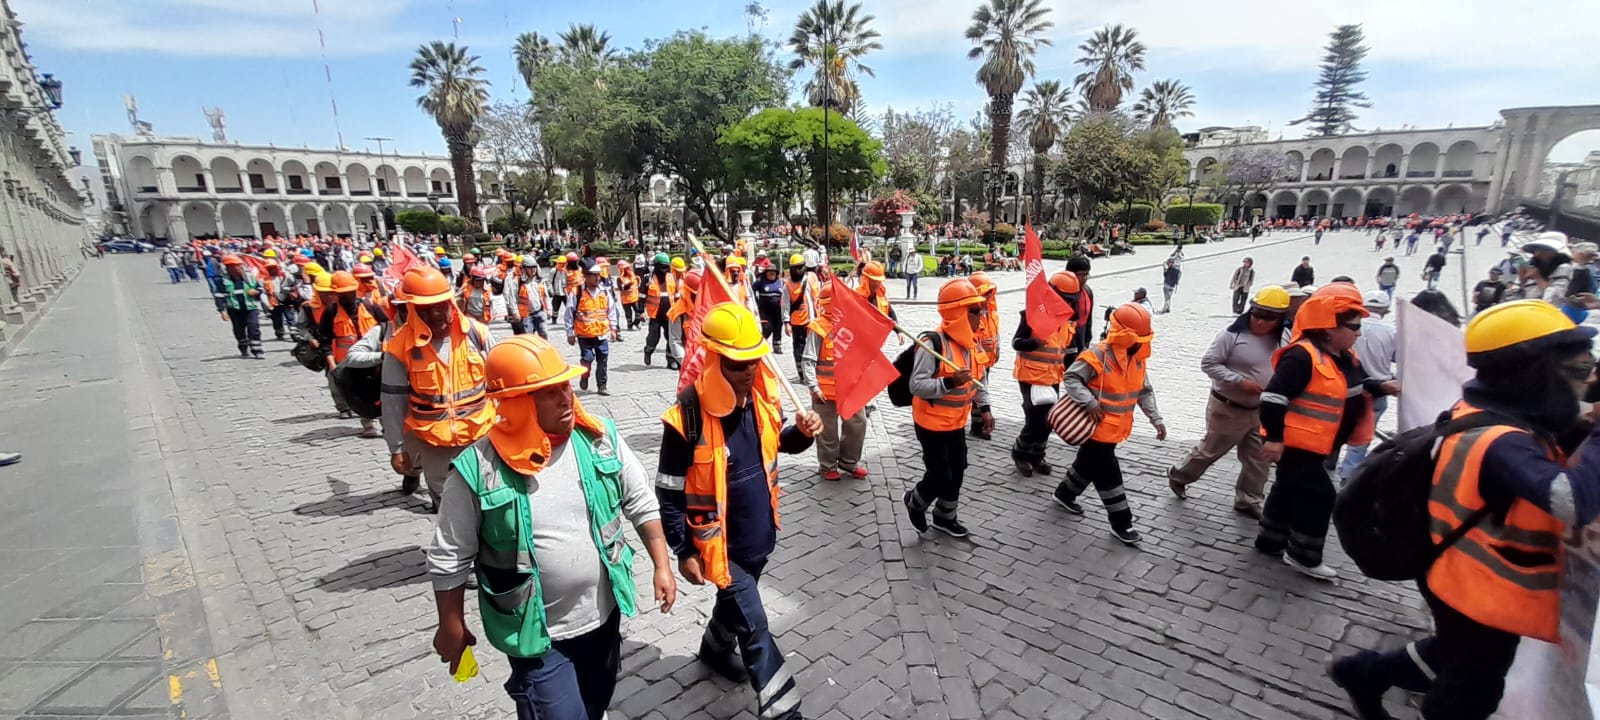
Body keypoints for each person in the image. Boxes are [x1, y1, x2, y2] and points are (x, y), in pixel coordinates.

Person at [1328, 300, 1600, 720]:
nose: (1588, 382)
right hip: (1476, 586)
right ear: (1534, 377)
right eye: (1580, 372)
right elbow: (1568, 500)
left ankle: (1364, 672)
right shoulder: (1499, 440)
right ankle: (1373, 677)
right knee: (1471, 690)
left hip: (1462, 575)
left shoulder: (1495, 419)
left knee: (1454, 654)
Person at [427, 335, 676, 720]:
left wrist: (661, 564)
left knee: (595, 703)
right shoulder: (477, 470)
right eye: (548, 391)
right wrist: (451, 624)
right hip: (535, 637)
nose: (566, 397)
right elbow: (449, 557)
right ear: (513, 402)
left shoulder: (599, 439)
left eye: (565, 384)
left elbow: (640, 502)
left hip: (603, 618)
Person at [655, 302, 821, 720]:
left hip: (760, 536)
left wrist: (802, 434)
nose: (747, 370)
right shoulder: (686, 417)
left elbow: (778, 445)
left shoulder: (763, 397)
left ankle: (712, 649)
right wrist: (683, 550)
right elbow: (669, 490)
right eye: (736, 363)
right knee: (757, 628)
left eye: (752, 360)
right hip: (720, 549)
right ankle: (785, 711)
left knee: (737, 611)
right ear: (714, 358)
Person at [1256, 284, 1392, 580]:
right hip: (1297, 443)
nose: (1359, 332)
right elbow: (1272, 398)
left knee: (1287, 488)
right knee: (1320, 496)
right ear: (1329, 328)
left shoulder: (1345, 356)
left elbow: (1355, 385)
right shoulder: (1302, 357)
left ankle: (1271, 539)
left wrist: (1382, 386)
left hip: (1320, 442)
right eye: (1353, 326)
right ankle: (1303, 554)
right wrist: (1275, 439)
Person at [1167, 286, 1289, 518]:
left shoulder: (1283, 338)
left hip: (1260, 408)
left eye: (1268, 317)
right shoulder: (1231, 336)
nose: (1261, 322)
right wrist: (1238, 381)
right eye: (1257, 314)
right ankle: (1179, 475)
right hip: (1228, 406)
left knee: (1258, 458)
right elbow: (1209, 363)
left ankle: (1249, 499)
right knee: (1210, 451)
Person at [382, 267, 496, 511]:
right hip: (434, 443)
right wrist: (397, 449)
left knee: (489, 498)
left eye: (441, 305)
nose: (436, 313)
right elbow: (393, 403)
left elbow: (502, 383)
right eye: (426, 309)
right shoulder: (400, 347)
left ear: (451, 301)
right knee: (448, 506)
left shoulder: (476, 334)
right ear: (411, 308)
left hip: (481, 436)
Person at [1051, 303, 1165, 546]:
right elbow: (1071, 378)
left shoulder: (1137, 358)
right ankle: (1122, 522)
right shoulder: (1097, 355)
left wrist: (1156, 419)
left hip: (1115, 430)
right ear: (1122, 335)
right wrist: (1090, 403)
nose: (1140, 343)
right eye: (1136, 338)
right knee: (1108, 474)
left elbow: (1144, 391)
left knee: (1088, 464)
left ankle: (1064, 494)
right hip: (1095, 428)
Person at [905, 279, 993, 538]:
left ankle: (945, 517)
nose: (982, 315)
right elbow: (916, 385)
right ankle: (915, 502)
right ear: (958, 313)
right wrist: (948, 382)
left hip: (957, 422)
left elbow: (981, 378)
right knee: (940, 474)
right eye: (976, 311)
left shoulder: (973, 342)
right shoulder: (932, 344)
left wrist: (985, 407)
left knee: (958, 469)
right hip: (930, 423)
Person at [1011, 272, 1080, 477]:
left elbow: (1069, 351)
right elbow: (1017, 343)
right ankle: (1020, 453)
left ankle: (1037, 454)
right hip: (1031, 376)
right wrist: (1034, 342)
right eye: (1065, 299)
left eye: (1071, 300)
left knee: (1050, 421)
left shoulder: (1068, 320)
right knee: (1036, 421)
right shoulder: (1032, 314)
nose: (1068, 304)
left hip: (1053, 377)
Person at [801, 282, 868, 480]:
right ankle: (828, 465)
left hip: (850, 389)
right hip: (825, 391)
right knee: (827, 430)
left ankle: (849, 462)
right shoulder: (818, 328)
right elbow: (808, 359)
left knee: (858, 423)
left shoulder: (852, 324)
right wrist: (813, 386)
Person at [318, 270, 390, 437]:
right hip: (348, 363)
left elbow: (387, 327)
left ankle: (387, 424)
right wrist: (332, 365)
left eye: (350, 292)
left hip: (373, 359)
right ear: (335, 294)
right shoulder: (330, 312)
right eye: (343, 293)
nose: (348, 296)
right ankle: (367, 424)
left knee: (380, 390)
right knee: (361, 393)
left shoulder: (369, 306)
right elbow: (325, 340)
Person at [1336, 291, 1398, 480]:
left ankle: (1329, 458)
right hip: (1378, 388)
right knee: (1363, 433)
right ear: (1385, 310)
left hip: (1346, 384)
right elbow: (1398, 357)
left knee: (1336, 424)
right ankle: (1349, 473)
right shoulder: (1391, 331)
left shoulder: (1349, 326)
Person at [565, 262, 622, 396]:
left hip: (601, 334)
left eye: (598, 275)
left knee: (603, 359)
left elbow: (611, 310)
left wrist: (614, 329)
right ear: (585, 276)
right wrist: (569, 332)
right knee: (587, 358)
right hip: (584, 334)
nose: (597, 278)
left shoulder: (604, 291)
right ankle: (584, 376)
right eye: (594, 276)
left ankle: (602, 385)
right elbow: (569, 312)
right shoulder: (577, 292)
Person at [214, 254, 266, 359]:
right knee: (239, 330)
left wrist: (256, 291)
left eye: (240, 265)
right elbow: (219, 296)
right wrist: (222, 311)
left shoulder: (250, 277)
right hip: (234, 310)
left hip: (251, 308)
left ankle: (257, 350)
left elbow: (260, 288)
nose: (239, 268)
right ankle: (243, 347)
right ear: (228, 267)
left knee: (254, 327)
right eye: (235, 266)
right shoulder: (222, 280)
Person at [968, 272, 1000, 439]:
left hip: (987, 359)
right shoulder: (971, 313)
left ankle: (979, 423)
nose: (988, 298)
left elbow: (995, 332)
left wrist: (997, 350)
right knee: (976, 390)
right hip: (976, 358)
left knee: (980, 390)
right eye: (985, 294)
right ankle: (977, 425)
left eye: (989, 294)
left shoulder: (990, 309)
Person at [642, 253, 679, 369]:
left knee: (670, 338)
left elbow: (677, 296)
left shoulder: (672, 277)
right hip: (655, 315)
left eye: (666, 266)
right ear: (656, 266)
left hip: (670, 314)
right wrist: (639, 312)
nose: (665, 269)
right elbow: (641, 296)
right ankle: (648, 350)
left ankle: (671, 360)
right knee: (654, 336)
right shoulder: (648, 279)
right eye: (662, 267)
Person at [784, 255, 820, 372]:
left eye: (800, 267)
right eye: (795, 268)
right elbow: (785, 306)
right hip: (798, 321)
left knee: (814, 347)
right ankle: (801, 371)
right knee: (799, 347)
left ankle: (813, 370)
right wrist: (786, 323)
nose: (798, 270)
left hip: (814, 320)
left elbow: (819, 295)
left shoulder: (812, 278)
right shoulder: (788, 285)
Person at [506, 256, 550, 338]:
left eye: (534, 267)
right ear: (524, 269)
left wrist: (549, 310)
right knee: (529, 337)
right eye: (530, 268)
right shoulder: (517, 282)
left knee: (544, 335)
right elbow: (512, 299)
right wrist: (515, 313)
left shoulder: (539, 280)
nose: (533, 270)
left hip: (539, 312)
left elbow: (545, 296)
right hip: (526, 315)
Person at [753, 265, 785, 355]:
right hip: (765, 309)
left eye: (773, 271)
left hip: (778, 309)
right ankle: (761, 344)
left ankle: (777, 346)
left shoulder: (781, 282)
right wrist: (756, 301)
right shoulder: (760, 282)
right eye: (769, 271)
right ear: (766, 273)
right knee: (767, 327)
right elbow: (751, 290)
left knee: (778, 327)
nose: (771, 273)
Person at [616, 261, 641, 330]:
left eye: (627, 268)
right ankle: (629, 326)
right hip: (625, 300)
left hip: (634, 297)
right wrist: (630, 283)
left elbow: (637, 284)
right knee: (628, 313)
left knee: (637, 311)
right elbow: (622, 288)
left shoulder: (633, 276)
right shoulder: (620, 278)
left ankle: (636, 323)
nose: (627, 270)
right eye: (625, 268)